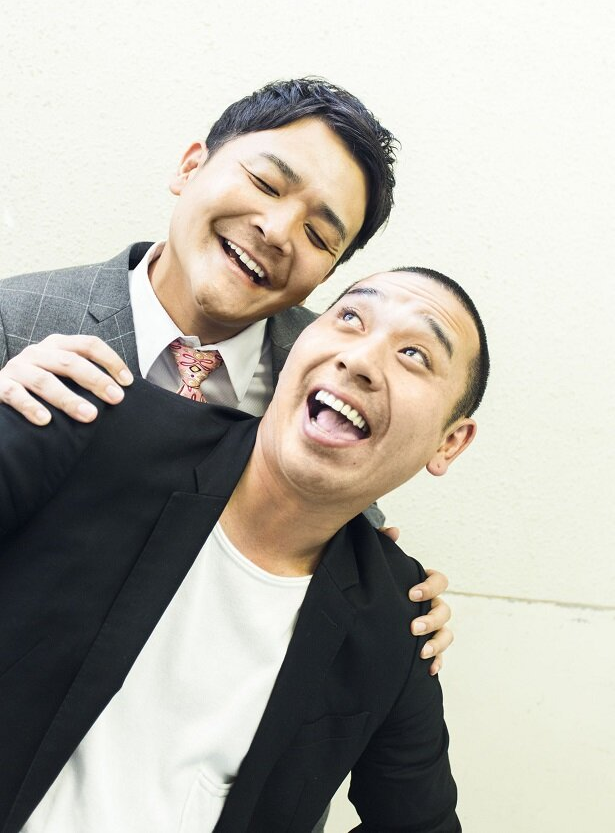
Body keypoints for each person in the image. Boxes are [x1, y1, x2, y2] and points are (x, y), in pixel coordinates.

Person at [0, 267, 489, 833]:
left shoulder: (396, 619)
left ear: (449, 443)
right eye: (351, 317)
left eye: (414, 354)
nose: (359, 360)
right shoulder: (89, 420)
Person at [0, 78, 453, 669]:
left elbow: (340, 562)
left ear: (326, 274)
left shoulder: (334, 379)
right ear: (191, 167)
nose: (277, 231)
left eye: (318, 235)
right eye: (265, 183)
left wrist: (396, 604)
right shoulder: (13, 323)